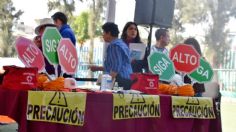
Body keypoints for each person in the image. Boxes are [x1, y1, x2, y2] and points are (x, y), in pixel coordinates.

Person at [90, 22, 133, 89]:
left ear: (109, 33)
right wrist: (97, 68)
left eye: (104, 32)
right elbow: (113, 66)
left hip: (120, 82)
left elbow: (115, 69)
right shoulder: (121, 44)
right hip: (127, 79)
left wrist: (105, 87)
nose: (102, 35)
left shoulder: (114, 46)